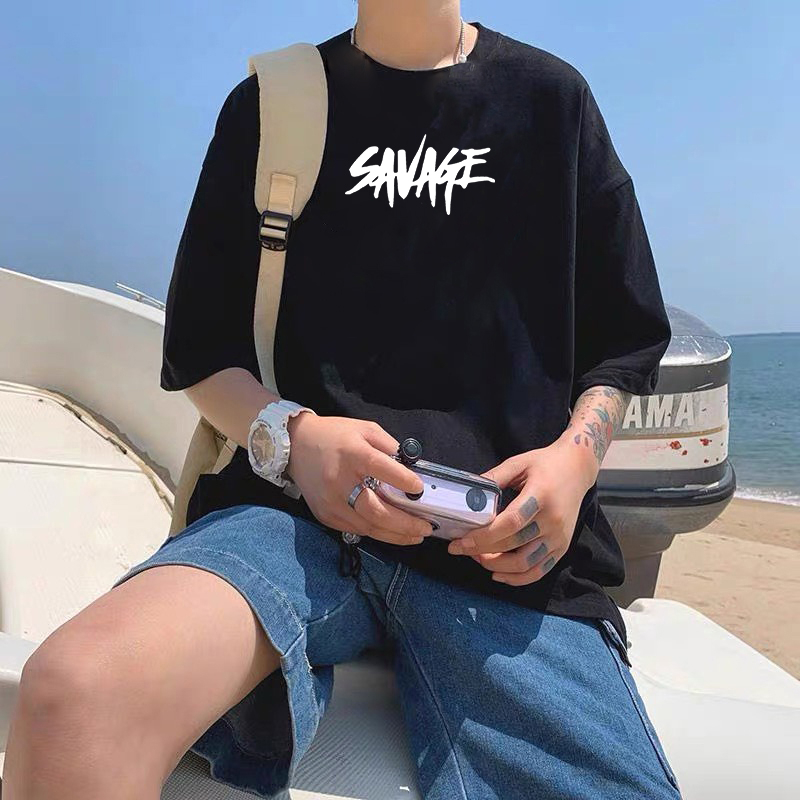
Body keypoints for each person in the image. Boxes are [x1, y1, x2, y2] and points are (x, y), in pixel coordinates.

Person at [3, 2, 681, 798]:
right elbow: (201, 349)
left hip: (504, 557)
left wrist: (574, 462)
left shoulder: (552, 101)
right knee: (76, 694)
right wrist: (294, 439)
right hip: (292, 524)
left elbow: (624, 339)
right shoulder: (271, 105)